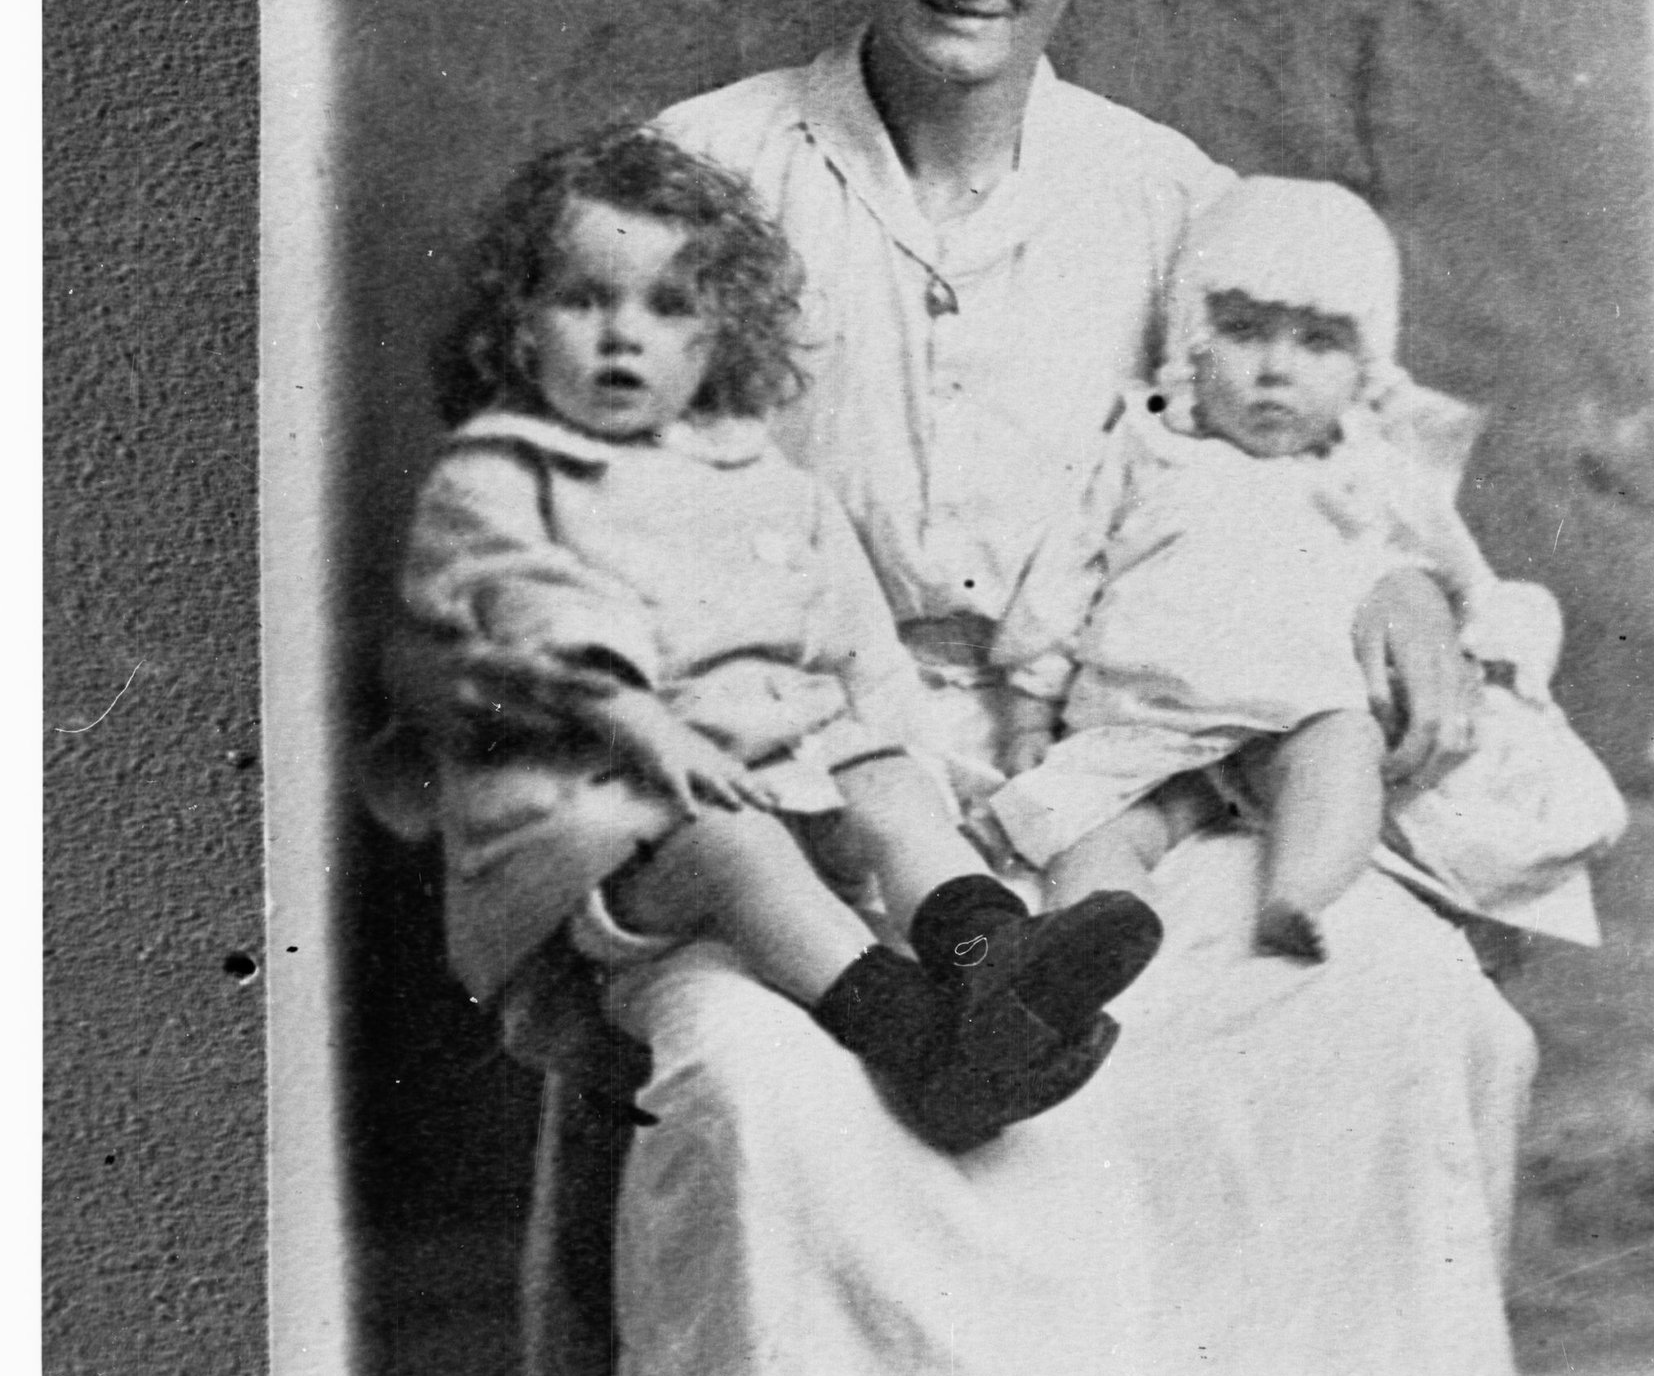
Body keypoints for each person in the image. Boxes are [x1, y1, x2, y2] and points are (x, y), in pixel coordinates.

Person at [407, 0, 1540, 1376]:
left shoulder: (1169, 197)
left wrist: (1389, 573)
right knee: (776, 1108)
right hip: (791, 797)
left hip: (1086, 793)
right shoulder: (696, 178)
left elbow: (1316, 426)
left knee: (1394, 1007)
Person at [391, 121, 1160, 1155]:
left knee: (887, 786)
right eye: (583, 299)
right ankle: (927, 1046)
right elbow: (533, 610)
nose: (623, 335)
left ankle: (993, 962)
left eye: (667, 307)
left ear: (714, 337)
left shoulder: (759, 478)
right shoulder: (499, 474)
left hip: (793, 775)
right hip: (623, 824)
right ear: (522, 324)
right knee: (733, 842)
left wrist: (902, 757)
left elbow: (856, 647)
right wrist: (643, 723)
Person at [986, 176, 1628, 962]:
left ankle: (1298, 895)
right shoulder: (1147, 449)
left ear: (1365, 365)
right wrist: (1027, 709)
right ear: (1191, 337)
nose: (1275, 370)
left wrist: (1485, 645)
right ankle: (1096, 947)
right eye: (1245, 331)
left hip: (1295, 713)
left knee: (1340, 755)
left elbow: (1460, 582)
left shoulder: (1369, 471)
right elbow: (1063, 577)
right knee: (1100, 831)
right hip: (1148, 715)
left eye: (1317, 343)